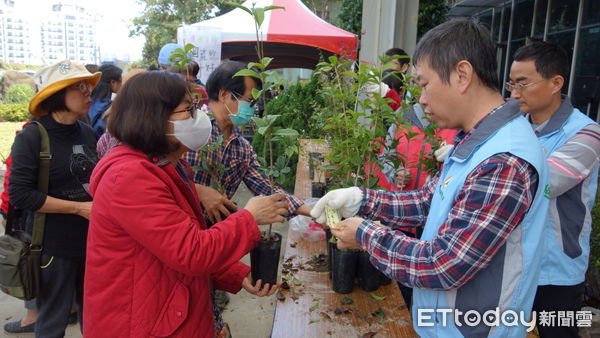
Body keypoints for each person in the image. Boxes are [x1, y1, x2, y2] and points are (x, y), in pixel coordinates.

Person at [312, 20, 550, 337]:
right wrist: (362, 199)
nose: (421, 99)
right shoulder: (475, 141)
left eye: (424, 85)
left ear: (462, 75)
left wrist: (365, 235)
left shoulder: (504, 160)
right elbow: (428, 202)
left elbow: (444, 264)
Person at [84, 71, 287, 337]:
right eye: (188, 109)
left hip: (167, 310)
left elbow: (176, 243)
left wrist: (236, 274)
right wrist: (249, 218)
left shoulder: (168, 167)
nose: (199, 116)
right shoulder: (130, 177)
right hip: (141, 323)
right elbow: (190, 252)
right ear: (155, 117)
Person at [508, 41, 600, 338]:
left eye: (523, 83)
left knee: (556, 332)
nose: (514, 92)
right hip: (514, 264)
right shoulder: (513, 128)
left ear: (555, 83)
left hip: (555, 270)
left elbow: (543, 182)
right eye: (511, 83)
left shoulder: (585, 133)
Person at [9, 60, 100, 337]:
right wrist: (78, 208)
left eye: (88, 87)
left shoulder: (86, 131)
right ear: (57, 94)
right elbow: (20, 194)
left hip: (92, 243)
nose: (89, 94)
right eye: (80, 87)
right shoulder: (32, 137)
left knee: (94, 318)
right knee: (51, 323)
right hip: (53, 247)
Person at [183, 61, 312, 224]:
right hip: (179, 230)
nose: (252, 108)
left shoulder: (242, 148)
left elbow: (266, 187)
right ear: (224, 95)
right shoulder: (187, 130)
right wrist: (197, 190)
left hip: (215, 233)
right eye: (250, 101)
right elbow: (160, 178)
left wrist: (312, 211)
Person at [87, 64, 122, 139]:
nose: (122, 85)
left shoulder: (87, 101)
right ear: (113, 83)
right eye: (121, 81)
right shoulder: (111, 107)